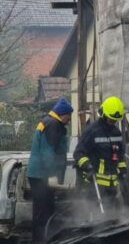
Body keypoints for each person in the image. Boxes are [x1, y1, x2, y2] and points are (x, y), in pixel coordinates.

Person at [27, 97, 73, 244]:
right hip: (42, 175)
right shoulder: (53, 125)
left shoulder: (49, 122)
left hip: (38, 174)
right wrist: (53, 175)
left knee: (41, 211)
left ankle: (40, 240)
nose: (70, 119)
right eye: (68, 115)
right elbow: (48, 153)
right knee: (44, 212)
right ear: (62, 114)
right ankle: (41, 241)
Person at [73, 96, 127, 211]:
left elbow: (120, 156)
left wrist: (122, 172)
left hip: (112, 185)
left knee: (112, 215)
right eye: (111, 119)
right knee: (95, 213)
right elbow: (78, 153)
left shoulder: (117, 133)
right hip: (94, 184)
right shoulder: (92, 131)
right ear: (103, 115)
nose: (113, 122)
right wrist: (87, 166)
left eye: (115, 120)